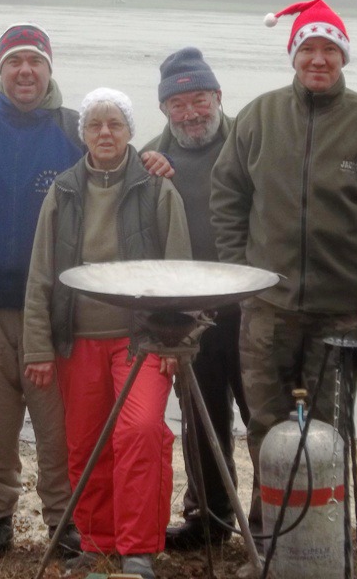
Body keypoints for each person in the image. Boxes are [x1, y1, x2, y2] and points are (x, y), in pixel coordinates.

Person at [211, 0, 357, 537]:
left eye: (329, 49)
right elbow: (227, 196)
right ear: (293, 54)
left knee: (329, 428)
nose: (318, 59)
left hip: (340, 313)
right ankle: (268, 532)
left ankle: (323, 537)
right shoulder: (259, 116)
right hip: (267, 308)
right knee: (265, 424)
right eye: (308, 48)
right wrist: (240, 273)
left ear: (343, 56)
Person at [23, 88, 192, 579]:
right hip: (79, 340)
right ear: (84, 134)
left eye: (115, 124)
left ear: (130, 132)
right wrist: (38, 346)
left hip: (143, 340)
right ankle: (97, 544)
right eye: (95, 124)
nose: (104, 132)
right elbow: (40, 275)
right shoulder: (64, 190)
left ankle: (138, 549)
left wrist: (173, 341)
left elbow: (179, 272)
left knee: (139, 431)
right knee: (86, 442)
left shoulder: (158, 189)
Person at [0, 23, 85, 560]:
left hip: (52, 307)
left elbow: (124, 156)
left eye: (35, 62)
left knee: (56, 424)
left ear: (50, 69)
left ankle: (62, 517)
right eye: (14, 62)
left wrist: (158, 161)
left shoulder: (76, 129)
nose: (25, 71)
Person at [138, 47, 250, 550]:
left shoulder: (250, 144)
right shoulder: (150, 160)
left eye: (199, 99)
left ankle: (273, 516)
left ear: (219, 97)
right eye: (178, 104)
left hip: (250, 308)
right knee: (201, 423)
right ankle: (209, 517)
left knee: (264, 417)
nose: (191, 113)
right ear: (163, 109)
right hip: (189, 313)